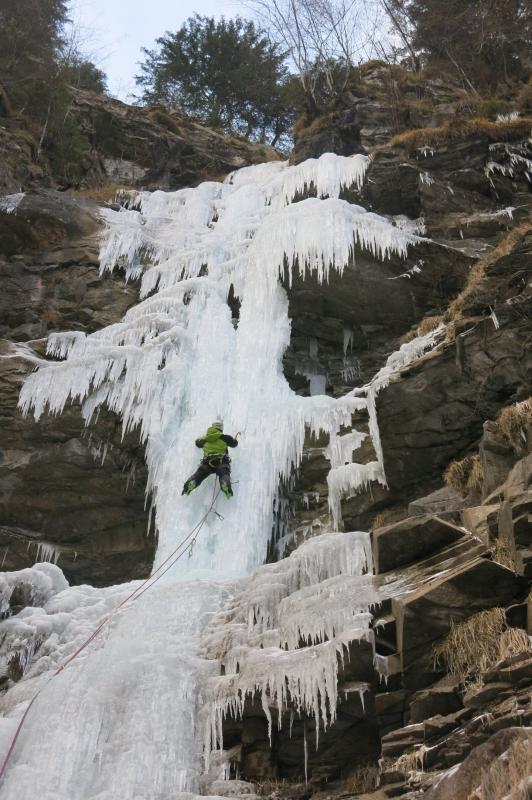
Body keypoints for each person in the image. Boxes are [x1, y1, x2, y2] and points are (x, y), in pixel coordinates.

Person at [182, 420, 238, 499]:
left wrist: (202, 439)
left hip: (208, 462)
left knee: (200, 474)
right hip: (222, 462)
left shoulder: (205, 439)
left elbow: (197, 443)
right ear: (221, 428)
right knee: (224, 473)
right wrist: (234, 440)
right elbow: (234, 444)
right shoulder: (225, 437)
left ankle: (192, 482)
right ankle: (224, 483)